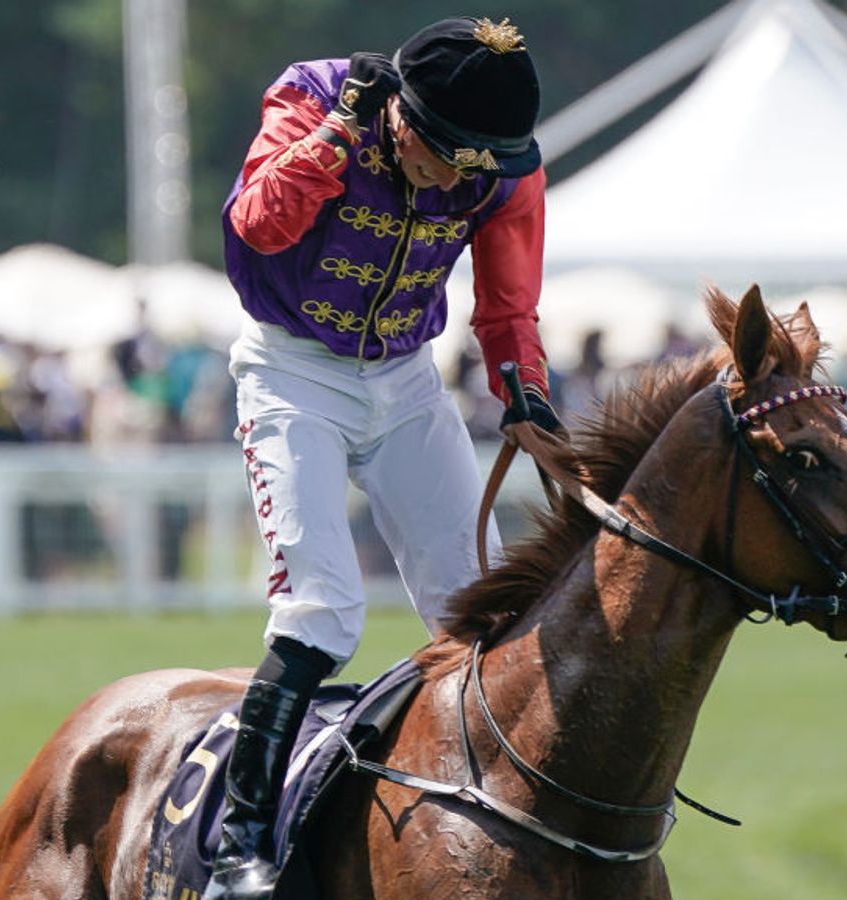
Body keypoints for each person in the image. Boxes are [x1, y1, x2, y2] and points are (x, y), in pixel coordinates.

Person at [211, 16, 561, 898]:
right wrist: (336, 137)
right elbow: (256, 225)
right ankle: (238, 837)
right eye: (444, 159)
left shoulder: (503, 166)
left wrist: (525, 397)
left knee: (478, 610)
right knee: (323, 610)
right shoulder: (314, 97)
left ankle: (507, 808)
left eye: (474, 170)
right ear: (399, 116)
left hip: (406, 380)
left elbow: (509, 301)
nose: (454, 184)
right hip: (294, 372)